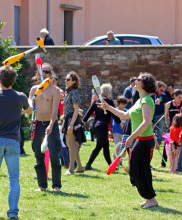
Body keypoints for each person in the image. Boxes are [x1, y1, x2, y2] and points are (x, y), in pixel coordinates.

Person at [98, 72, 159, 209]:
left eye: (139, 79)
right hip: (139, 140)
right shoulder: (139, 100)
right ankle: (149, 197)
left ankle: (151, 198)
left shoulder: (147, 100)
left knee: (140, 170)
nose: (135, 81)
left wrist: (131, 137)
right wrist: (109, 108)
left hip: (144, 140)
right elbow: (125, 115)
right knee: (136, 170)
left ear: (145, 84)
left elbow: (146, 122)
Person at [0, 65, 32, 220]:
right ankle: (12, 213)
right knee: (14, 179)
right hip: (13, 141)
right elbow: (30, 111)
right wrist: (22, 110)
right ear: (14, 80)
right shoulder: (21, 97)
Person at [29, 63, 62, 192]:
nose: (44, 74)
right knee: (38, 157)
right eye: (42, 72)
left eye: (47, 72)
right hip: (38, 125)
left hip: (51, 125)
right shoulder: (34, 90)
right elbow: (30, 106)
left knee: (54, 155)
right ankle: (42, 185)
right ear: (38, 74)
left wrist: (51, 124)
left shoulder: (55, 90)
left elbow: (55, 110)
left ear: (50, 74)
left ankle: (56, 186)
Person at [82, 84, 121, 170]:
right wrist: (120, 123)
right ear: (108, 92)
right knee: (99, 146)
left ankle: (111, 166)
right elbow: (114, 114)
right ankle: (88, 165)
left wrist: (83, 122)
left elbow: (88, 112)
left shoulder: (96, 101)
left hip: (96, 125)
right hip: (103, 126)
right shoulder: (109, 102)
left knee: (106, 146)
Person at [62, 71, 86, 175]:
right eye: (65, 79)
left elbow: (76, 110)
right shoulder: (68, 91)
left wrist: (71, 125)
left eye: (68, 79)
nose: (66, 81)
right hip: (68, 119)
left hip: (72, 119)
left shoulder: (74, 92)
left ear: (74, 81)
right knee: (70, 144)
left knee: (71, 145)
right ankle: (79, 166)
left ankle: (71, 169)